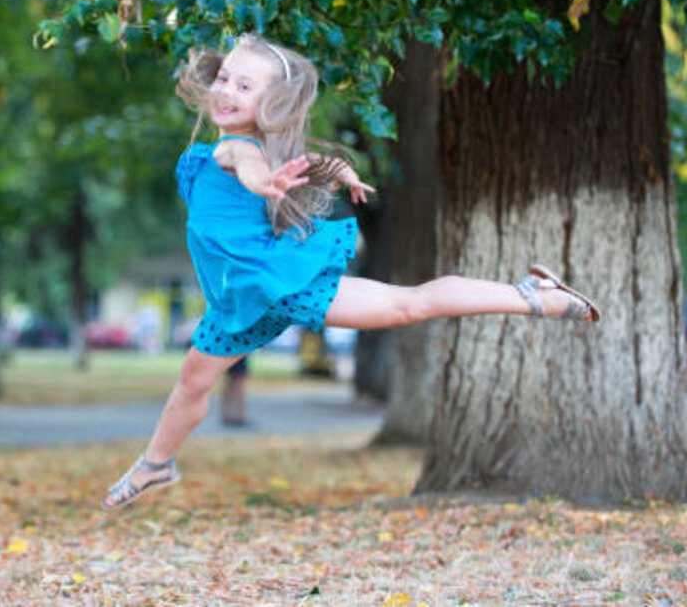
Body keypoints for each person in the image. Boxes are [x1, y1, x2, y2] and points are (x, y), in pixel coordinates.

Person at [100, 34, 602, 511]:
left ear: (271, 104)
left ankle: (533, 295)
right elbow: (307, 161)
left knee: (410, 303)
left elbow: (250, 167)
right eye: (225, 77)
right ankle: (155, 465)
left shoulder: (239, 150)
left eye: (244, 86)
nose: (227, 90)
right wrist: (340, 172)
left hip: (279, 285)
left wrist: (266, 182)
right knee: (192, 383)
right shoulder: (233, 150)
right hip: (243, 299)